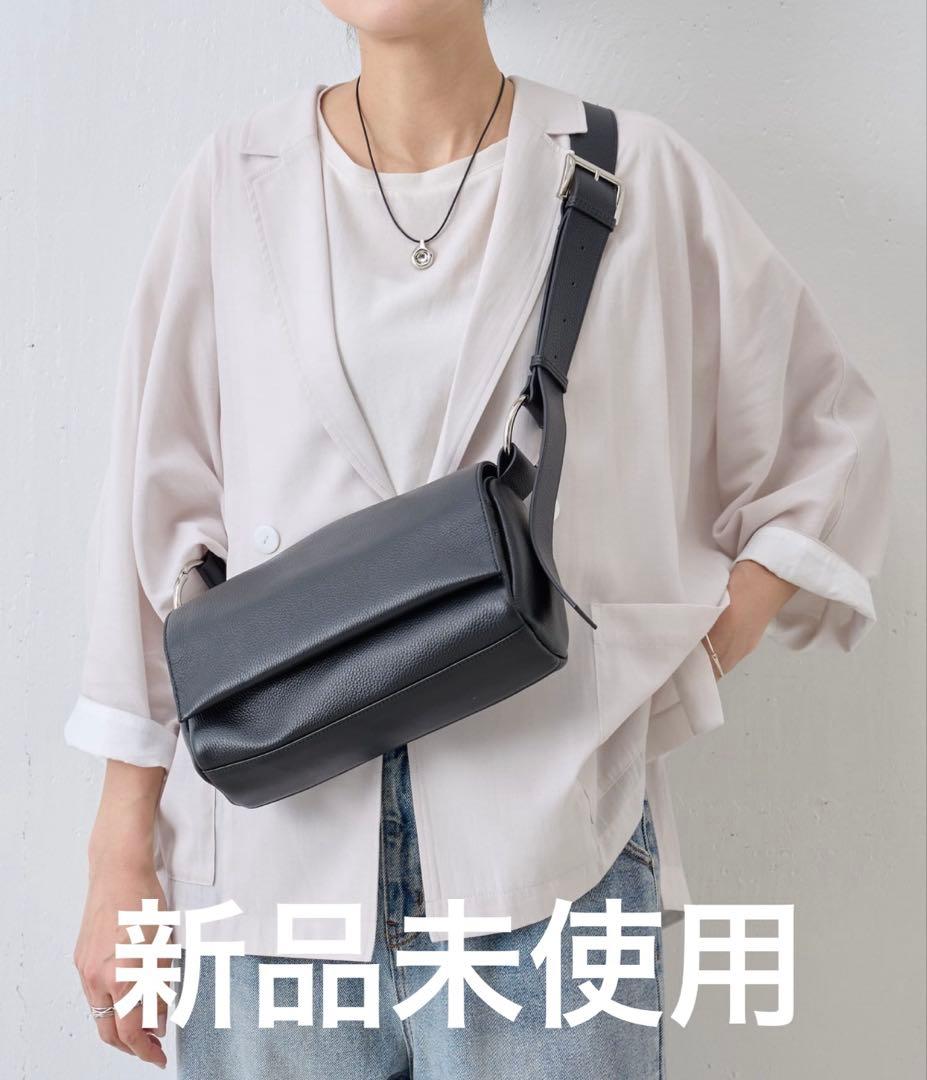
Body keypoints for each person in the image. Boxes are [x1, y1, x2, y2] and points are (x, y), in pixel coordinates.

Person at [66, 1, 891, 1076]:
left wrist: (687, 659)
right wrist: (118, 855)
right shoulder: (232, 182)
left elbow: (824, 435)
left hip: (554, 861)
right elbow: (151, 522)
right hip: (270, 876)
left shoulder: (630, 173)